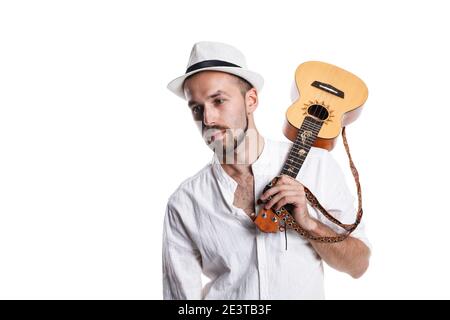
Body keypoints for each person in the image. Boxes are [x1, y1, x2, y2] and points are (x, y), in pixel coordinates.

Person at [163, 41, 371, 299]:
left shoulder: (317, 165)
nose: (207, 120)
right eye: (197, 108)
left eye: (218, 100)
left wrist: (310, 224)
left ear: (251, 100)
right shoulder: (184, 203)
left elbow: (358, 265)